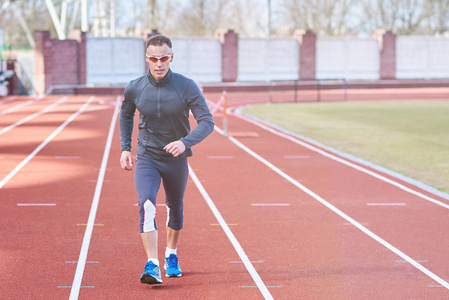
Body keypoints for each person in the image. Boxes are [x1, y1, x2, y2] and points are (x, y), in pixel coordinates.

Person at [119, 34, 214, 285]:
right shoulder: (135, 87)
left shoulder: (186, 86)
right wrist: (125, 148)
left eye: (163, 58)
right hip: (148, 156)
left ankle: (171, 254)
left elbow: (207, 121)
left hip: (176, 159)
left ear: (171, 58)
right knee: (147, 205)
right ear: (146, 58)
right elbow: (126, 115)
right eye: (153, 58)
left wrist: (185, 142)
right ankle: (152, 264)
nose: (158, 63)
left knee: (174, 208)